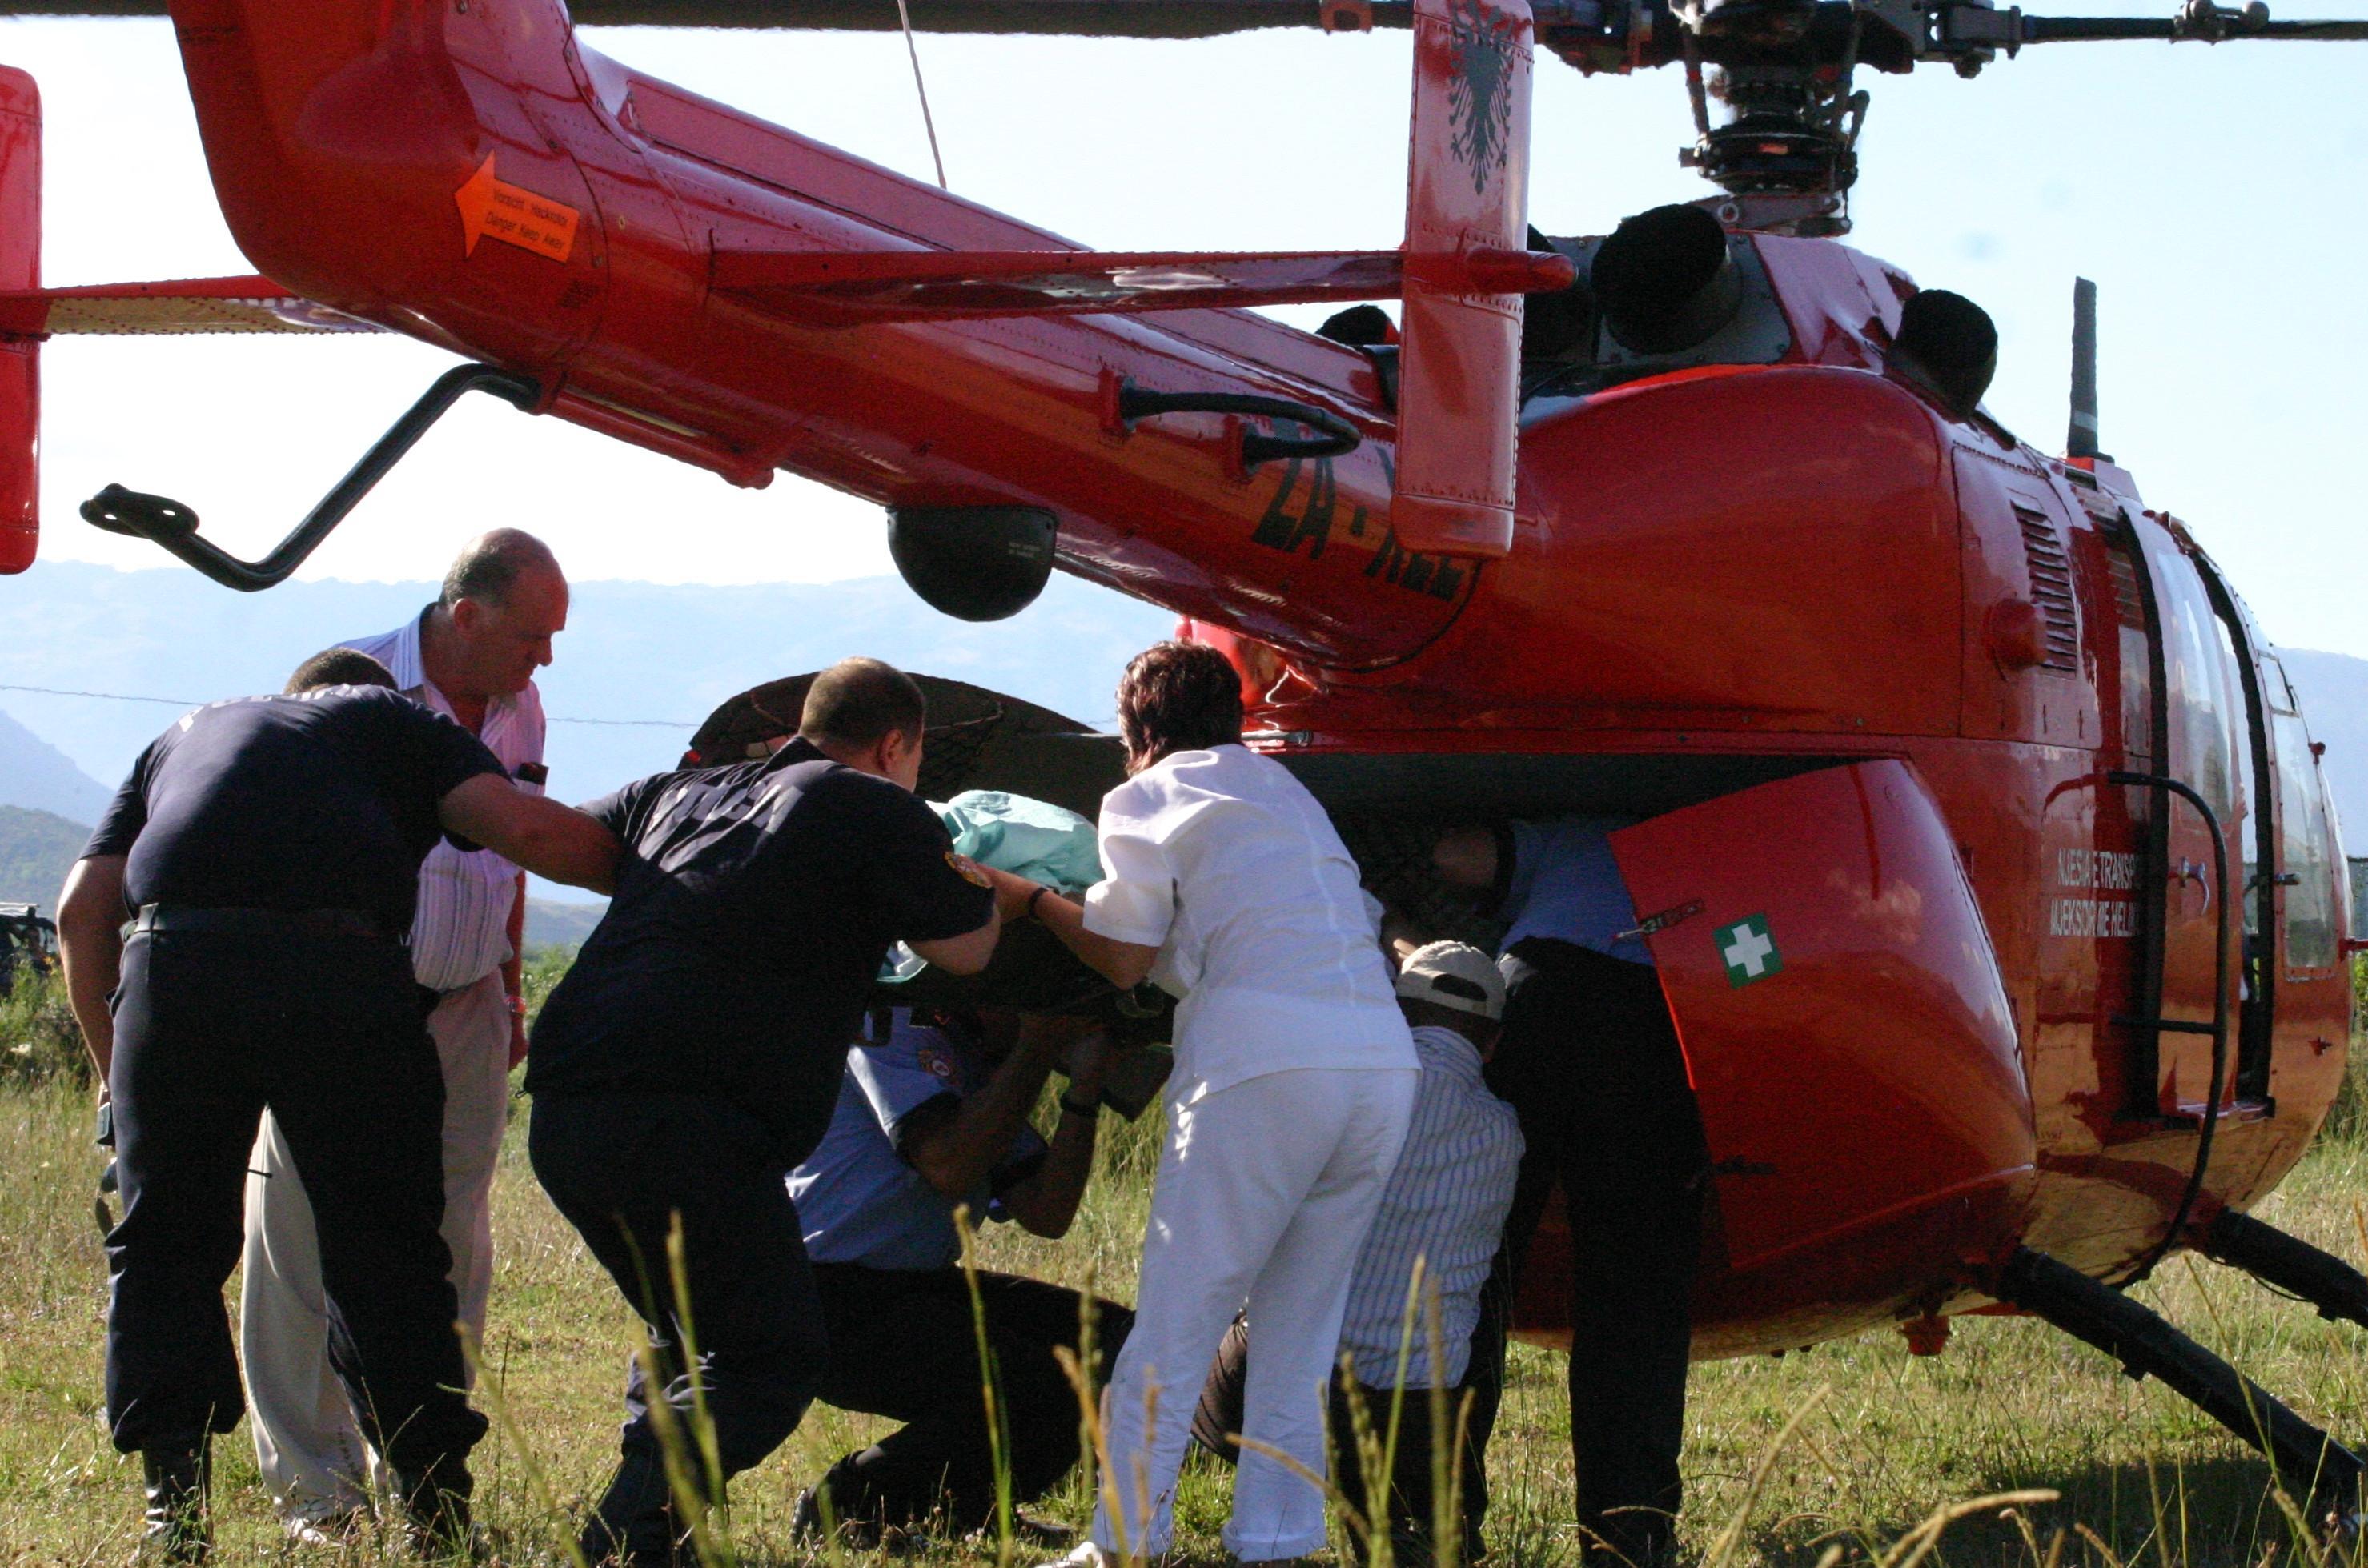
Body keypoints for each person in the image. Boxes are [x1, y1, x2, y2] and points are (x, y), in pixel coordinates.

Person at [53, 648, 619, 1562]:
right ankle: (434, 1513)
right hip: (335, 973)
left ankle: (176, 1517)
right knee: (386, 1251)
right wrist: (680, 859)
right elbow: (526, 833)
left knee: (163, 1251)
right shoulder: (392, 721)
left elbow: (84, 908)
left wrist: (119, 1083)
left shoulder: (189, 729)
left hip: (174, 964)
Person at [525, 656, 1042, 1566]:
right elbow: (963, 948)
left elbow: (565, 837)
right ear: (895, 746)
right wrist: (992, 886)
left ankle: (660, 1533)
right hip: (691, 1120)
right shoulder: (872, 802)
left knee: (688, 1334)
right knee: (769, 1355)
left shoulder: (679, 792)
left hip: (569, 1108)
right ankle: (631, 1535)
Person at [1027, 640, 1419, 1568]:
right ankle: (1277, 1541)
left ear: (1137, 733)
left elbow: (1125, 954)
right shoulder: (1286, 795)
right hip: (1379, 1063)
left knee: (1180, 1310)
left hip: (1266, 1062)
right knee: (1299, 1331)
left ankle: (1125, 1543)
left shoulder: (1144, 795)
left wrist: (1032, 899)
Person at [240, 528, 568, 1544]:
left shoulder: (520, 702)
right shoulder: (350, 687)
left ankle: (422, 1471)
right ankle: (315, 1491)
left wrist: (509, 988)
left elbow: (508, 848)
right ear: (465, 617)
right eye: (532, 634)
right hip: (339, 1002)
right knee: (300, 1244)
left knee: (451, 1238)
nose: (545, 657)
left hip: (466, 1000)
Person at [1191, 941, 1524, 1568]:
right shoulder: (1503, 1132)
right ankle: (1416, 1526)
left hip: (1272, 1386)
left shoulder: (1336, 1088)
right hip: (1408, 1416)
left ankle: (1203, 1469)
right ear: (1493, 1043)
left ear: (1395, 1014)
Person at [1433, 818, 1709, 1567]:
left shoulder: (1569, 830)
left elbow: (1459, 852)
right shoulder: (1711, 830)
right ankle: (1629, 1539)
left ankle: (1438, 1526)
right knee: (1635, 1296)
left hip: (1537, 994)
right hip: (1657, 1004)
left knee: (1478, 1270)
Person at [788, 1005, 1135, 1544]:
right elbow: (947, 1162)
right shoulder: (889, 1026)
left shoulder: (981, 1062)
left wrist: (1083, 1089)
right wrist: (1036, 1049)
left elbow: (1046, 1211)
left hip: (909, 1285)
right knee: (1046, 1385)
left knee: (1114, 1345)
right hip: (821, 1295)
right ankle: (852, 1501)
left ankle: (965, 1507)